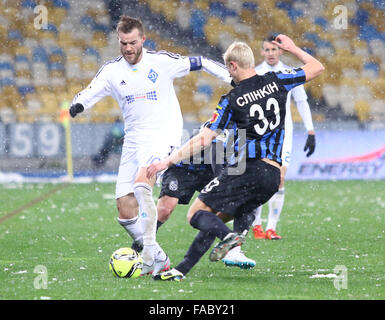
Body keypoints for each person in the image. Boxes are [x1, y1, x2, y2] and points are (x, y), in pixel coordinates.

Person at [146, 35, 324, 281]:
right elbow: (317, 67)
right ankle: (180, 270)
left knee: (196, 214)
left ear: (232, 66)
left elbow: (203, 140)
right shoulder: (277, 80)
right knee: (215, 219)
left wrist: (168, 161)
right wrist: (293, 48)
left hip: (249, 169)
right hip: (273, 177)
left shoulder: (232, 99)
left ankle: (230, 238)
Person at [68, 16, 231, 275]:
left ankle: (147, 253)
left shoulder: (161, 62)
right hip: (133, 139)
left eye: (132, 42)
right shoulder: (112, 70)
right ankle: (158, 256)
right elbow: (92, 90)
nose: (128, 48)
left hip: (163, 134)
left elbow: (201, 62)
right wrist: (78, 105)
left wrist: (231, 78)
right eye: (123, 43)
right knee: (124, 207)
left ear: (142, 39)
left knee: (143, 182)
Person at [250, 33, 317, 240]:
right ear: (262, 52)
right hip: (260, 134)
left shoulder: (289, 73)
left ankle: (271, 227)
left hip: (283, 134)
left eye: (274, 49)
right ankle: (257, 226)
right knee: (260, 178)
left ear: (281, 51)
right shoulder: (255, 74)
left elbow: (302, 101)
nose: (270, 53)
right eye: (267, 50)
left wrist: (310, 131)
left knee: (279, 178)